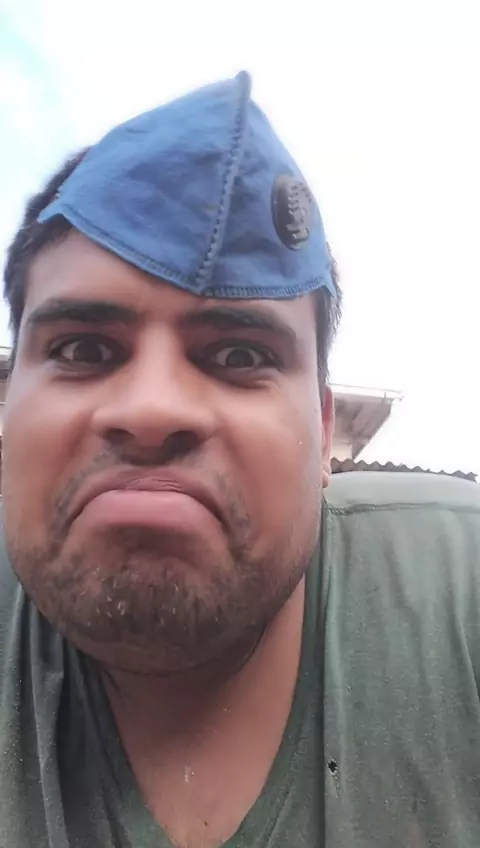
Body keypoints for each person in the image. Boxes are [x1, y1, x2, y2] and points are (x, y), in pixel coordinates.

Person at [0, 70, 479, 848]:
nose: (153, 409)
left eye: (238, 354)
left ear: (323, 431)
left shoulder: (462, 596)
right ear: (8, 403)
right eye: (84, 349)